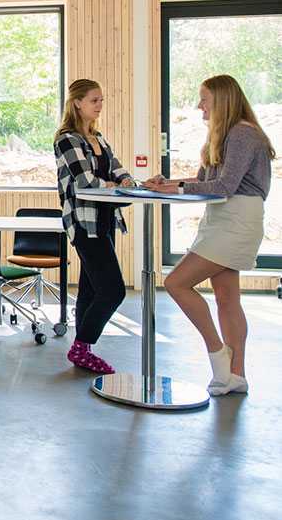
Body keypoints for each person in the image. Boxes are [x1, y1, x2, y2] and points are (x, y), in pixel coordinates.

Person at [144, 75, 274, 396]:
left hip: (236, 219)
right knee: (227, 298)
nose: (199, 105)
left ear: (222, 100)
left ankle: (219, 355)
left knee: (176, 282)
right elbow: (205, 179)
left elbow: (225, 186)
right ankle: (236, 375)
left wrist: (178, 186)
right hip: (220, 217)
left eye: (204, 99)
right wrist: (168, 182)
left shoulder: (243, 134)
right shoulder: (224, 134)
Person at [54, 78, 136, 374]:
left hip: (105, 220)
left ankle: (83, 349)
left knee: (90, 288)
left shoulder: (98, 139)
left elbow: (119, 169)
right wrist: (116, 184)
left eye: (101, 100)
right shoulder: (67, 140)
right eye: (94, 100)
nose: (100, 106)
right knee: (113, 290)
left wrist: (125, 181)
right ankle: (81, 346)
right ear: (77, 103)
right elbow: (85, 181)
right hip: (83, 223)